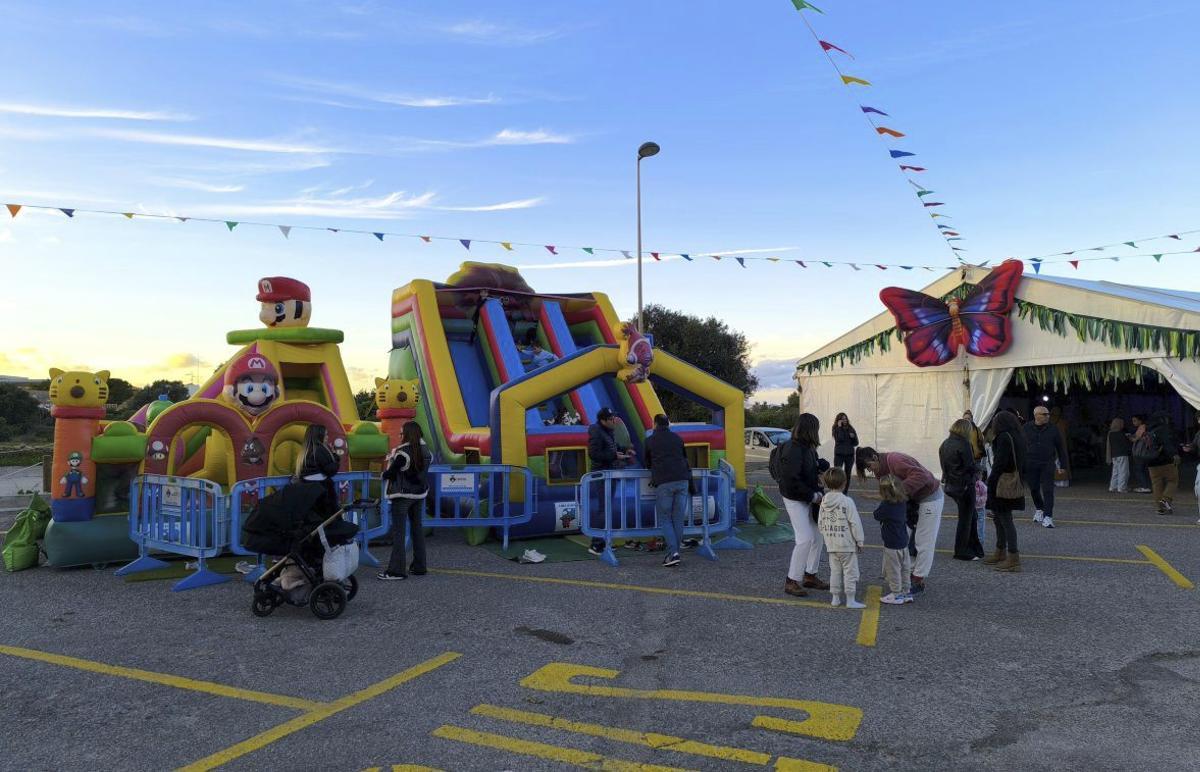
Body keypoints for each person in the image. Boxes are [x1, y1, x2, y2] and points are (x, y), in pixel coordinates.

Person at [856, 446, 942, 594]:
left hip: (930, 498)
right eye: (867, 469)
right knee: (903, 537)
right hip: (911, 500)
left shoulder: (895, 460)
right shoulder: (880, 470)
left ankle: (918, 579)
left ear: (875, 457)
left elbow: (922, 476)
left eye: (869, 466)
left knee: (924, 541)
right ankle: (903, 574)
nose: (870, 470)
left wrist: (897, 493)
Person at [777, 413, 829, 597]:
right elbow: (791, 481)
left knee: (817, 536)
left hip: (807, 496)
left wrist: (820, 464)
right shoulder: (793, 449)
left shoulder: (807, 447)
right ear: (811, 429)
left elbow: (808, 468)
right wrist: (813, 496)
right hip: (795, 498)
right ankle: (791, 581)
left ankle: (810, 575)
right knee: (805, 538)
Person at [378, 422, 432, 580]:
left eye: (401, 434)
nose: (399, 436)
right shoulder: (426, 450)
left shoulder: (402, 453)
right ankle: (420, 566)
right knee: (417, 530)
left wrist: (383, 473)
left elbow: (391, 473)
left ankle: (396, 571)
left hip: (402, 495)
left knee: (399, 533)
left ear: (407, 435)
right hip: (419, 495)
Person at [586, 407, 636, 555]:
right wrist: (615, 456)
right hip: (602, 474)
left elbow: (612, 448)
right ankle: (596, 544)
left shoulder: (608, 431)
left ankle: (604, 540)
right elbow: (594, 454)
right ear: (603, 420)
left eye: (614, 418)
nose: (614, 421)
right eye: (611, 419)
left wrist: (625, 451)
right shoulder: (596, 431)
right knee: (604, 508)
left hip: (609, 472)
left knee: (607, 508)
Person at [644, 414, 691, 567]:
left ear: (655, 424)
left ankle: (673, 553)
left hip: (664, 482)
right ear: (668, 424)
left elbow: (647, 463)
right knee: (678, 518)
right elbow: (684, 457)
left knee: (665, 518)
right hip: (682, 480)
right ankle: (675, 552)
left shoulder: (650, 440)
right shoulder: (677, 438)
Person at [816, 468, 865, 608]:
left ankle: (835, 598)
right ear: (844, 483)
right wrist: (859, 541)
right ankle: (850, 599)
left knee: (835, 571)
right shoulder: (847, 501)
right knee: (850, 572)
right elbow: (855, 523)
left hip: (832, 545)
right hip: (846, 545)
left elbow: (820, 523)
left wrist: (826, 536)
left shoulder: (824, 501)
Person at [985, 411, 1027, 572]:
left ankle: (1013, 557)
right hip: (1012, 480)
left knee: (1004, 519)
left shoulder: (1003, 437)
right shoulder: (1018, 436)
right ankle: (1000, 551)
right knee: (1000, 518)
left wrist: (991, 480)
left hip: (1002, 482)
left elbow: (1000, 462)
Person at [941, 418, 983, 561]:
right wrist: (979, 469)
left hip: (952, 485)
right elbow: (969, 466)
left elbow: (944, 466)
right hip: (965, 486)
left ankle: (974, 548)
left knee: (971, 516)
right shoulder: (964, 444)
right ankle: (962, 550)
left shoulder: (945, 443)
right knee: (966, 519)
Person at [1023, 405, 1067, 529]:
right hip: (1031, 462)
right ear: (1036, 415)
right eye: (1045, 414)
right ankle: (1039, 509)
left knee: (1048, 490)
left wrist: (1063, 465)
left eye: (1048, 414)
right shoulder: (1026, 427)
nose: (1048, 416)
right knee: (1034, 488)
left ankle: (1048, 516)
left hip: (1047, 463)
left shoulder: (1053, 428)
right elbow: (1020, 444)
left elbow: (1060, 447)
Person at [874, 475, 913, 605]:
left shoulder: (886, 505)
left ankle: (896, 594)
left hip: (891, 543)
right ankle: (906, 592)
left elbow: (876, 515)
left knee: (893, 570)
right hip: (903, 541)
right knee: (905, 568)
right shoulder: (902, 502)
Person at [295, 424, 339, 515]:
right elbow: (330, 470)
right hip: (321, 489)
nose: (327, 437)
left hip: (307, 488)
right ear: (320, 435)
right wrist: (335, 456)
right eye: (326, 435)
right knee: (327, 515)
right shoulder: (320, 450)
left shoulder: (305, 451)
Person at [1144, 411, 1180, 515]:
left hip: (1151, 461)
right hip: (1165, 461)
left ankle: (1160, 508)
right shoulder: (1163, 429)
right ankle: (1166, 498)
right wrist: (1174, 454)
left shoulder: (1149, 430)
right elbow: (1167, 443)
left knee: (1156, 484)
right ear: (1162, 419)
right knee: (1173, 480)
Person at [831, 413, 859, 492]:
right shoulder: (836, 429)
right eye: (842, 419)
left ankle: (845, 492)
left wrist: (853, 437)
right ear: (839, 420)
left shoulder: (851, 428)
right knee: (837, 473)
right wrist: (840, 427)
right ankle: (836, 491)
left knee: (847, 474)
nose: (845, 420)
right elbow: (840, 439)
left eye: (845, 418)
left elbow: (856, 443)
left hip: (850, 455)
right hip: (839, 455)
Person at [1181, 414, 1200, 524]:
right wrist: (1189, 448)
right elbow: (1195, 445)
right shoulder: (1199, 433)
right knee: (1198, 490)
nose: (1199, 421)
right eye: (1198, 419)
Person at [1106, 417, 1131, 494]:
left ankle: (1113, 487)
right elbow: (1126, 443)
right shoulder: (1121, 434)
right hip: (1122, 454)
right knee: (1123, 471)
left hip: (1114, 455)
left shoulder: (1110, 433)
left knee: (1115, 471)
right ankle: (1122, 488)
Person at [1128, 414, 1152, 493]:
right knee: (1142, 469)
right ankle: (1144, 486)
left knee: (1139, 470)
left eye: (1135, 421)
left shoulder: (1142, 427)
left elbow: (1135, 439)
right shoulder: (1144, 428)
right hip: (1143, 452)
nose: (1133, 422)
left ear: (1140, 421)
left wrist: (1129, 437)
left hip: (1140, 452)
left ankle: (1144, 486)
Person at [974, 470, 988, 545]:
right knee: (980, 524)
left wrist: (977, 500)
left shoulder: (976, 484)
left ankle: (978, 540)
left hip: (976, 507)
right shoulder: (980, 484)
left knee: (977, 524)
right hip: (979, 507)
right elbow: (985, 494)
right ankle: (979, 540)